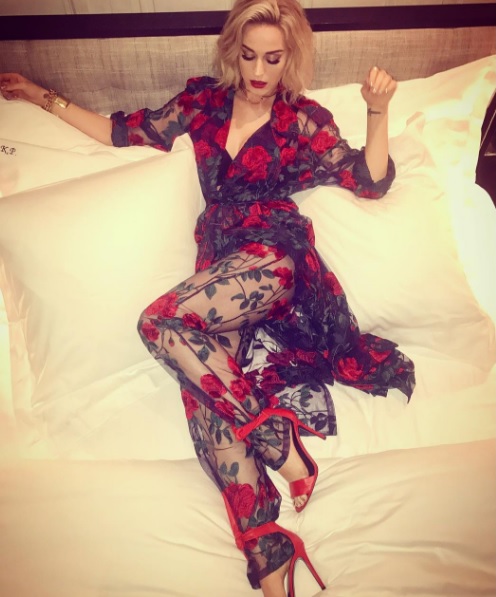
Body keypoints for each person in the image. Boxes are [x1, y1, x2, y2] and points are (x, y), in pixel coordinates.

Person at [0, 0, 415, 595]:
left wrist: (378, 111)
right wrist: (42, 97)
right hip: (219, 269)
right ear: (232, 52)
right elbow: (122, 131)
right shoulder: (202, 102)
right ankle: (269, 548)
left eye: (273, 58)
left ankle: (275, 441)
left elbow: (368, 180)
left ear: (290, 59)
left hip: (274, 258)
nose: (259, 71)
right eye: (248, 56)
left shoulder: (302, 120)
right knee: (205, 396)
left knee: (158, 322)